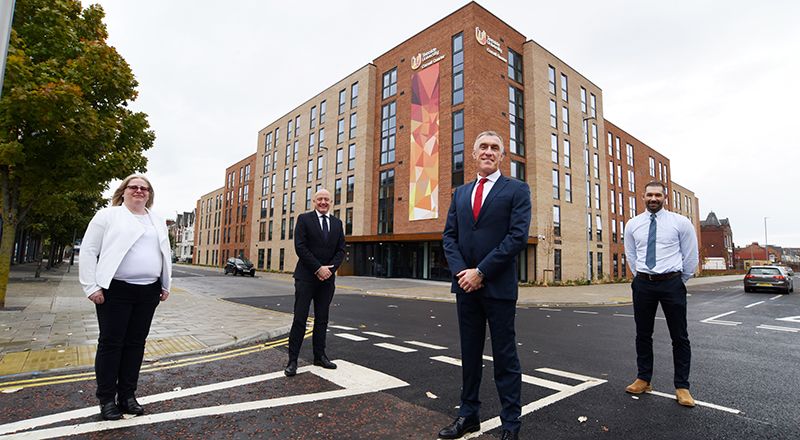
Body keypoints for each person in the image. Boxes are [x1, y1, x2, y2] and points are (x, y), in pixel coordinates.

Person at [441, 131, 531, 440]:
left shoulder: (517, 189)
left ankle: (511, 425)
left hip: (498, 287)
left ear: (502, 156)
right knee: (469, 355)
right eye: (484, 147)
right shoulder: (460, 193)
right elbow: (449, 237)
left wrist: (480, 271)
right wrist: (462, 274)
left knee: (506, 357)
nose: (489, 152)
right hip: (465, 288)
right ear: (474, 154)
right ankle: (468, 415)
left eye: (495, 148)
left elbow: (517, 237)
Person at [79, 174, 172, 420]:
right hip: (116, 290)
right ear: (123, 191)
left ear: (149, 194)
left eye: (144, 188)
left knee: (135, 344)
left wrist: (165, 284)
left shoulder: (156, 220)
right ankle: (107, 400)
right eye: (134, 187)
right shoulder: (107, 216)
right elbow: (88, 251)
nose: (139, 191)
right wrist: (91, 287)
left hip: (148, 291)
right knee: (111, 344)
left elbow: (164, 253)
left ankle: (128, 396)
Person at [623, 181, 699, 407]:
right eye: (649, 195)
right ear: (643, 197)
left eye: (657, 195)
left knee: (679, 337)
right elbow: (631, 255)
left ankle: (682, 386)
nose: (653, 198)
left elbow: (691, 256)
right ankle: (643, 379)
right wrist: (642, 278)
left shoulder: (680, 223)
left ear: (665, 197)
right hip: (644, 284)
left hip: (671, 283)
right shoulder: (633, 224)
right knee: (643, 334)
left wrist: (677, 281)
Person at [284, 189, 346, 377]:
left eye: (326, 199)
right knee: (300, 319)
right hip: (306, 277)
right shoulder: (304, 219)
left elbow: (341, 250)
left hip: (327, 281)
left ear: (331, 202)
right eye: (320, 199)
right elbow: (300, 247)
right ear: (314, 201)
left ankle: (319, 356)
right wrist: (318, 268)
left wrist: (329, 271)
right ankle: (292, 360)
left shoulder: (337, 223)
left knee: (322, 319)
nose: (323, 202)